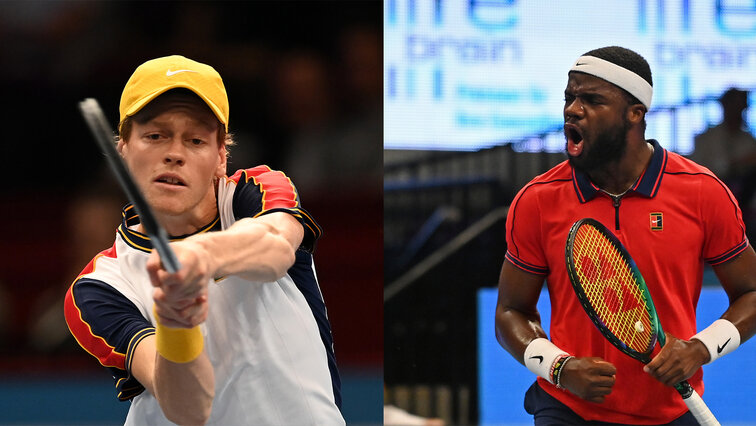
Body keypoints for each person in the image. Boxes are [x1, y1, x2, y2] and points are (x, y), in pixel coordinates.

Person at [63, 55, 344, 425]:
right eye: (154, 136)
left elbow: (275, 247)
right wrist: (176, 322)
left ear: (220, 158)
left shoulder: (255, 191)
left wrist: (202, 255)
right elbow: (188, 409)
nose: (174, 154)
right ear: (123, 151)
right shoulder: (98, 287)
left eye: (195, 140)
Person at [495, 46, 756, 425]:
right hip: (568, 410)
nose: (572, 109)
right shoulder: (537, 200)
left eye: (592, 99)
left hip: (671, 410)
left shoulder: (702, 192)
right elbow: (510, 312)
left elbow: (752, 292)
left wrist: (700, 349)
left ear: (636, 113)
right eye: (570, 97)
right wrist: (559, 368)